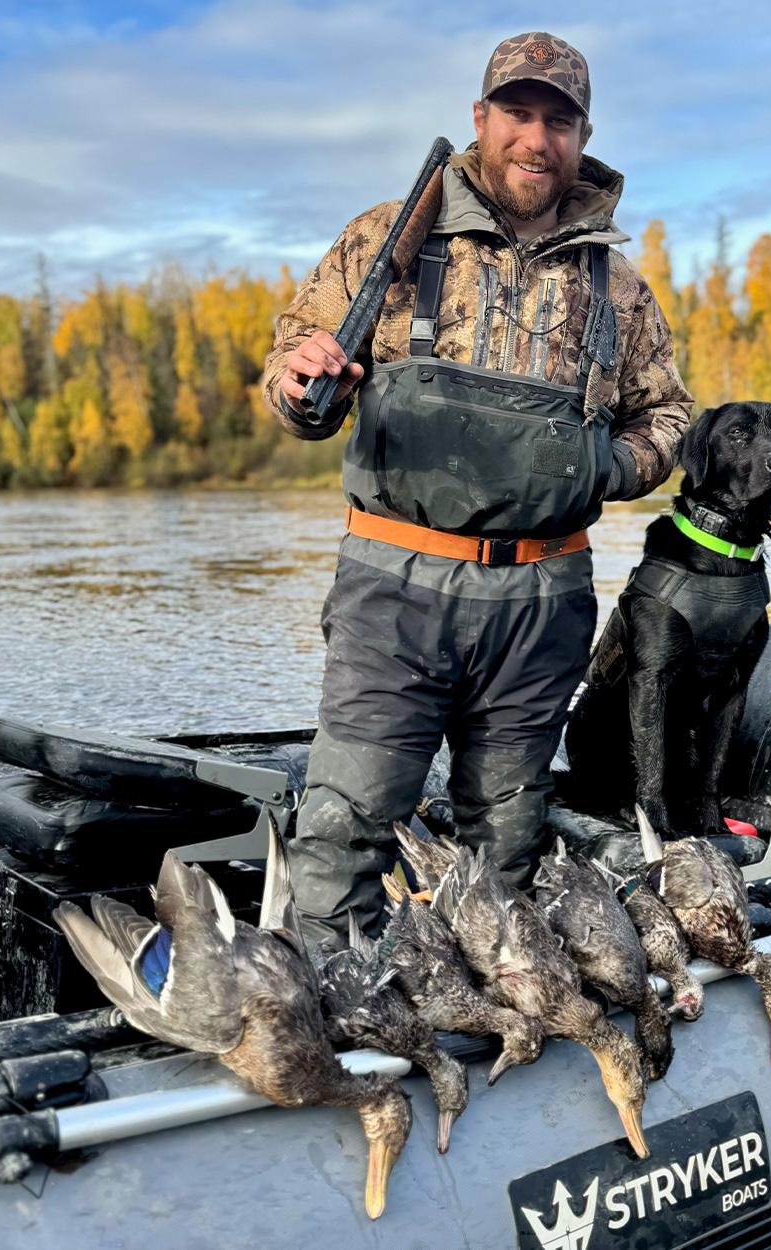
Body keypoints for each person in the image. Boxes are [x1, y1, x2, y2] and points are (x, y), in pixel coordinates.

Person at [261, 31, 692, 945]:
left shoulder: (615, 282)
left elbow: (668, 414)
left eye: (558, 123)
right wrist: (300, 387)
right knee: (342, 837)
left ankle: (486, 1011)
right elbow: (293, 377)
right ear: (480, 118)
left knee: (507, 848)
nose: (536, 140)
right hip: (394, 595)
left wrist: (611, 467)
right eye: (517, 115)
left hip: (542, 604)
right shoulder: (388, 237)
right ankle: (334, 1011)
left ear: (583, 137)